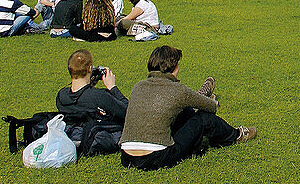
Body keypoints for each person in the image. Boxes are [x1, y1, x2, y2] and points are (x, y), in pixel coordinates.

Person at [119, 45, 255, 170]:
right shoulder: (178, 90)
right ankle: (236, 135)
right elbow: (211, 108)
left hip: (126, 157)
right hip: (157, 157)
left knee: (183, 111)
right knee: (204, 118)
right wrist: (203, 100)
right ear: (175, 67)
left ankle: (199, 97)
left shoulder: (138, 86)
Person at [56, 49, 127, 122]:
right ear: (90, 69)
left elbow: (81, 100)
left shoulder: (61, 96)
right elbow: (129, 113)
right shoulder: (100, 96)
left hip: (73, 132)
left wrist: (90, 85)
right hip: (96, 132)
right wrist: (112, 88)